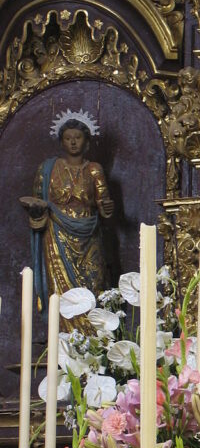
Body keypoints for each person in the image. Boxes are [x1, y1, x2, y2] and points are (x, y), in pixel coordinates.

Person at [22, 110, 113, 326]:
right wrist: (36, 210)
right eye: (68, 138)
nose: (73, 142)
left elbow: (104, 205)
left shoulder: (94, 170)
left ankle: (94, 339)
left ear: (86, 141)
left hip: (89, 235)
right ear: (62, 142)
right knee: (61, 293)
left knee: (94, 283)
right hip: (57, 235)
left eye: (78, 137)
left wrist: (106, 206)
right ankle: (63, 338)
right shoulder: (48, 169)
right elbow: (37, 202)